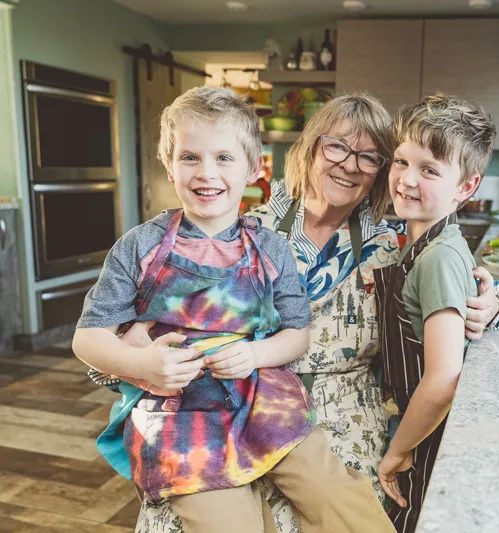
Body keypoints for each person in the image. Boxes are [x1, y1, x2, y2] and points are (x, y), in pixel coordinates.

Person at [131, 92, 499, 533]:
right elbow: (138, 329)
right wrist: (137, 357)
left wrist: (494, 302)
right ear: (310, 148)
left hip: (346, 418)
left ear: (380, 170)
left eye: (368, 157)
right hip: (238, 406)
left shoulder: (391, 243)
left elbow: (448, 275)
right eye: (336, 147)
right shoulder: (243, 231)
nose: (349, 165)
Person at [72, 87, 394, 533]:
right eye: (190, 157)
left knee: (341, 499)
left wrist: (256, 354)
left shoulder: (275, 246)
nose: (207, 172)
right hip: (180, 416)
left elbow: (297, 330)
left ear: (253, 167)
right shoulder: (140, 245)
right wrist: (141, 364)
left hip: (266, 402)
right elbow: (89, 338)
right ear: (168, 164)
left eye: (224, 158)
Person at [374, 93, 496, 532]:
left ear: (466, 187)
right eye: (401, 161)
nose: (407, 179)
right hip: (416, 425)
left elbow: (443, 380)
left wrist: (398, 450)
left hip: (424, 437)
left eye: (429, 170)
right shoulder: (427, 243)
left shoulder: (438, 258)